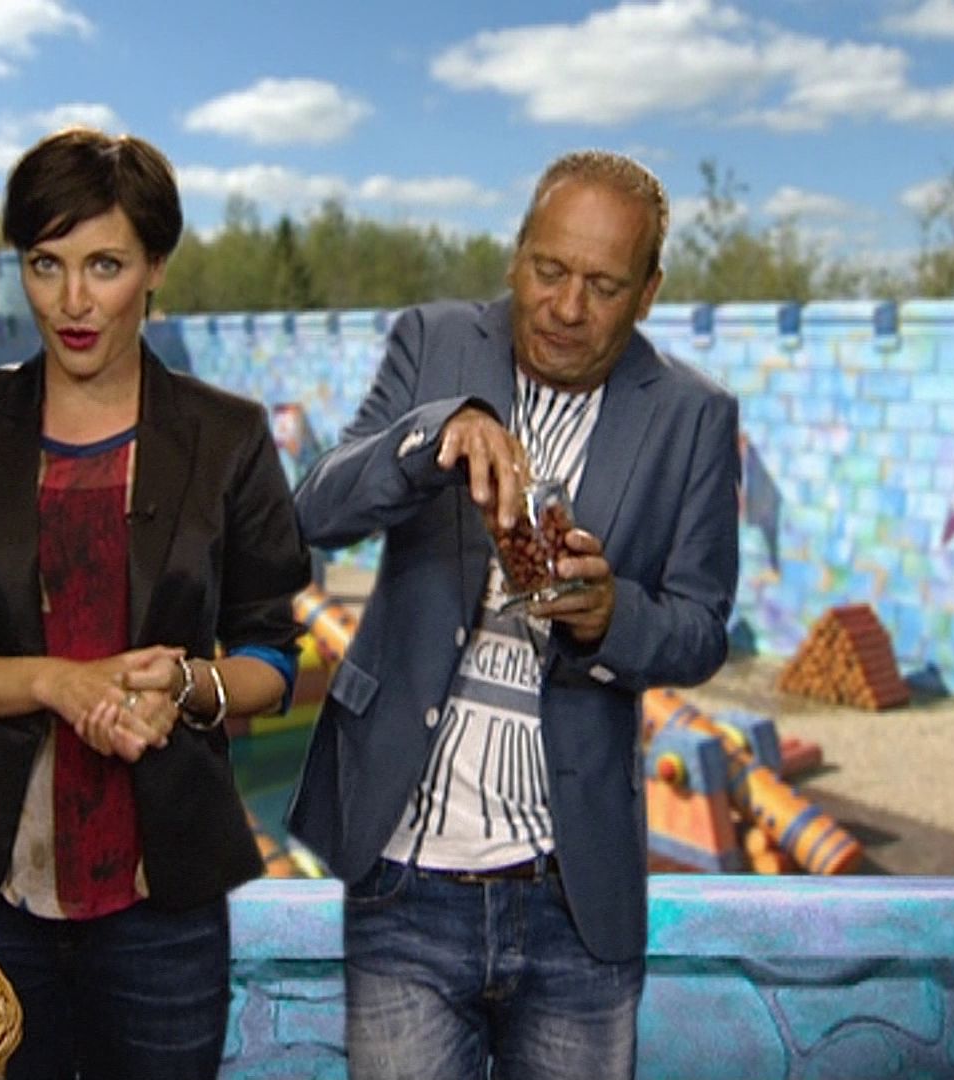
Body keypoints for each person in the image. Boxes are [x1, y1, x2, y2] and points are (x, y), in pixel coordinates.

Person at [0, 127, 311, 1080]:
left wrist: (185, 686)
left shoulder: (228, 440)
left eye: (104, 265)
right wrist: (55, 683)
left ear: (156, 268)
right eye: (46, 264)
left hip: (163, 911)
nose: (72, 301)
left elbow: (274, 658)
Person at [285, 150, 740, 1079]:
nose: (567, 307)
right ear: (516, 254)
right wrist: (431, 434)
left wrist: (610, 617)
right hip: (403, 876)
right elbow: (314, 511)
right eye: (549, 270)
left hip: (576, 898)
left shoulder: (693, 415)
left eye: (603, 286)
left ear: (648, 292)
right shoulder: (434, 342)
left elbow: (700, 629)